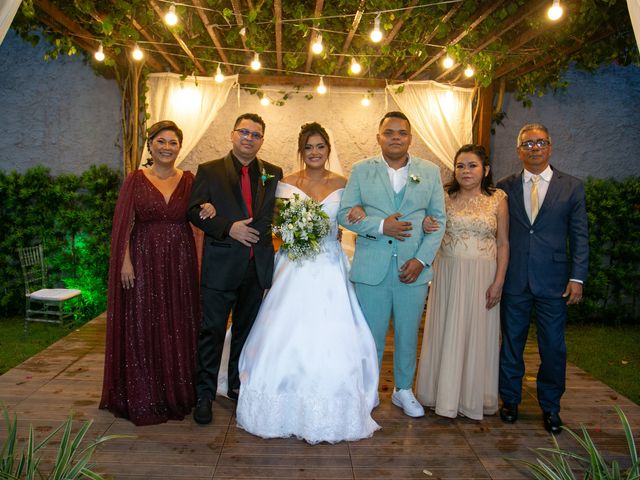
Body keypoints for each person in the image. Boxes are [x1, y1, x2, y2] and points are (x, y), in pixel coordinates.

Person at [236, 122, 380, 444]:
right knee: (283, 330)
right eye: (309, 147)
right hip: (293, 264)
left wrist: (352, 219)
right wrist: (291, 232)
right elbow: (274, 224)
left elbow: (355, 215)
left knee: (333, 333)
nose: (315, 153)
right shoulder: (285, 183)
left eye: (320, 147)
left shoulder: (345, 184)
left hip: (330, 265)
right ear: (301, 151)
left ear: (329, 149)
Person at [100, 120, 215, 426]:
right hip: (142, 258)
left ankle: (176, 391)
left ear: (180, 147)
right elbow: (123, 223)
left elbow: (201, 212)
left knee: (178, 322)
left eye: (173, 143)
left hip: (180, 260)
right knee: (143, 321)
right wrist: (124, 261)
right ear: (150, 145)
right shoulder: (135, 179)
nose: (167, 147)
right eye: (161, 142)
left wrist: (209, 209)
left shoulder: (189, 180)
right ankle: (145, 392)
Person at [338, 111, 446, 418]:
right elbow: (345, 214)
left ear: (410, 138)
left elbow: (438, 219)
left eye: (402, 132)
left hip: (413, 268)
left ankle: (403, 390)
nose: (395, 137)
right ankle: (369, 389)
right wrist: (382, 226)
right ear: (379, 137)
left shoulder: (429, 171)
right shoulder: (361, 170)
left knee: (408, 332)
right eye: (389, 133)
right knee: (369, 333)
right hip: (372, 266)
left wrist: (421, 259)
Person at [187, 113, 283, 425]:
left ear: (262, 140)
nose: (249, 138)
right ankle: (204, 394)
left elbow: (278, 213)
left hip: (256, 268)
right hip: (221, 266)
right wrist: (227, 227)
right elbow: (193, 210)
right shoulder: (210, 170)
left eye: (256, 134)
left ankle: (236, 386)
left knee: (246, 332)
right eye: (244, 131)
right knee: (212, 332)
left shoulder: (273, 173)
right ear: (232, 134)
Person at [498, 123, 588, 434]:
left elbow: (579, 236)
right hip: (514, 279)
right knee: (511, 343)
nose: (534, 148)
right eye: (528, 143)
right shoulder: (503, 187)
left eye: (540, 142)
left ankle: (551, 407)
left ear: (550, 147)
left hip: (554, 280)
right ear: (518, 150)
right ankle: (509, 400)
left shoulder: (571, 186)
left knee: (553, 346)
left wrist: (577, 277)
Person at [414, 144, 509, 420]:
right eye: (460, 166)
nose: (465, 171)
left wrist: (499, 281)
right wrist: (425, 224)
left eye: (472, 165)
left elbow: (503, 243)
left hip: (484, 276)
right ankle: (440, 394)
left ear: (486, 170)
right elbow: (427, 227)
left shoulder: (498, 199)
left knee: (477, 334)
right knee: (447, 329)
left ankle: (472, 397)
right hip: (449, 274)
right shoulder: (442, 197)